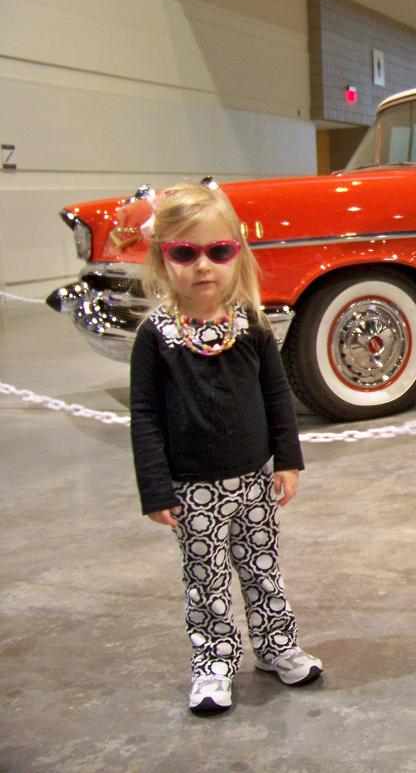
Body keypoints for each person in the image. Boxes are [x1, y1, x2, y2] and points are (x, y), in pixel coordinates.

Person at [130, 182, 323, 714]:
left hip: (255, 481)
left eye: (218, 251)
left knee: (263, 569)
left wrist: (288, 459)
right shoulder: (157, 335)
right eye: (185, 253)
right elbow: (144, 414)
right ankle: (214, 664)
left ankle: (277, 646)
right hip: (192, 490)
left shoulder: (252, 325)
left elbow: (277, 394)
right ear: (162, 257)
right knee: (206, 582)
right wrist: (154, 487)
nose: (203, 267)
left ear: (236, 252)